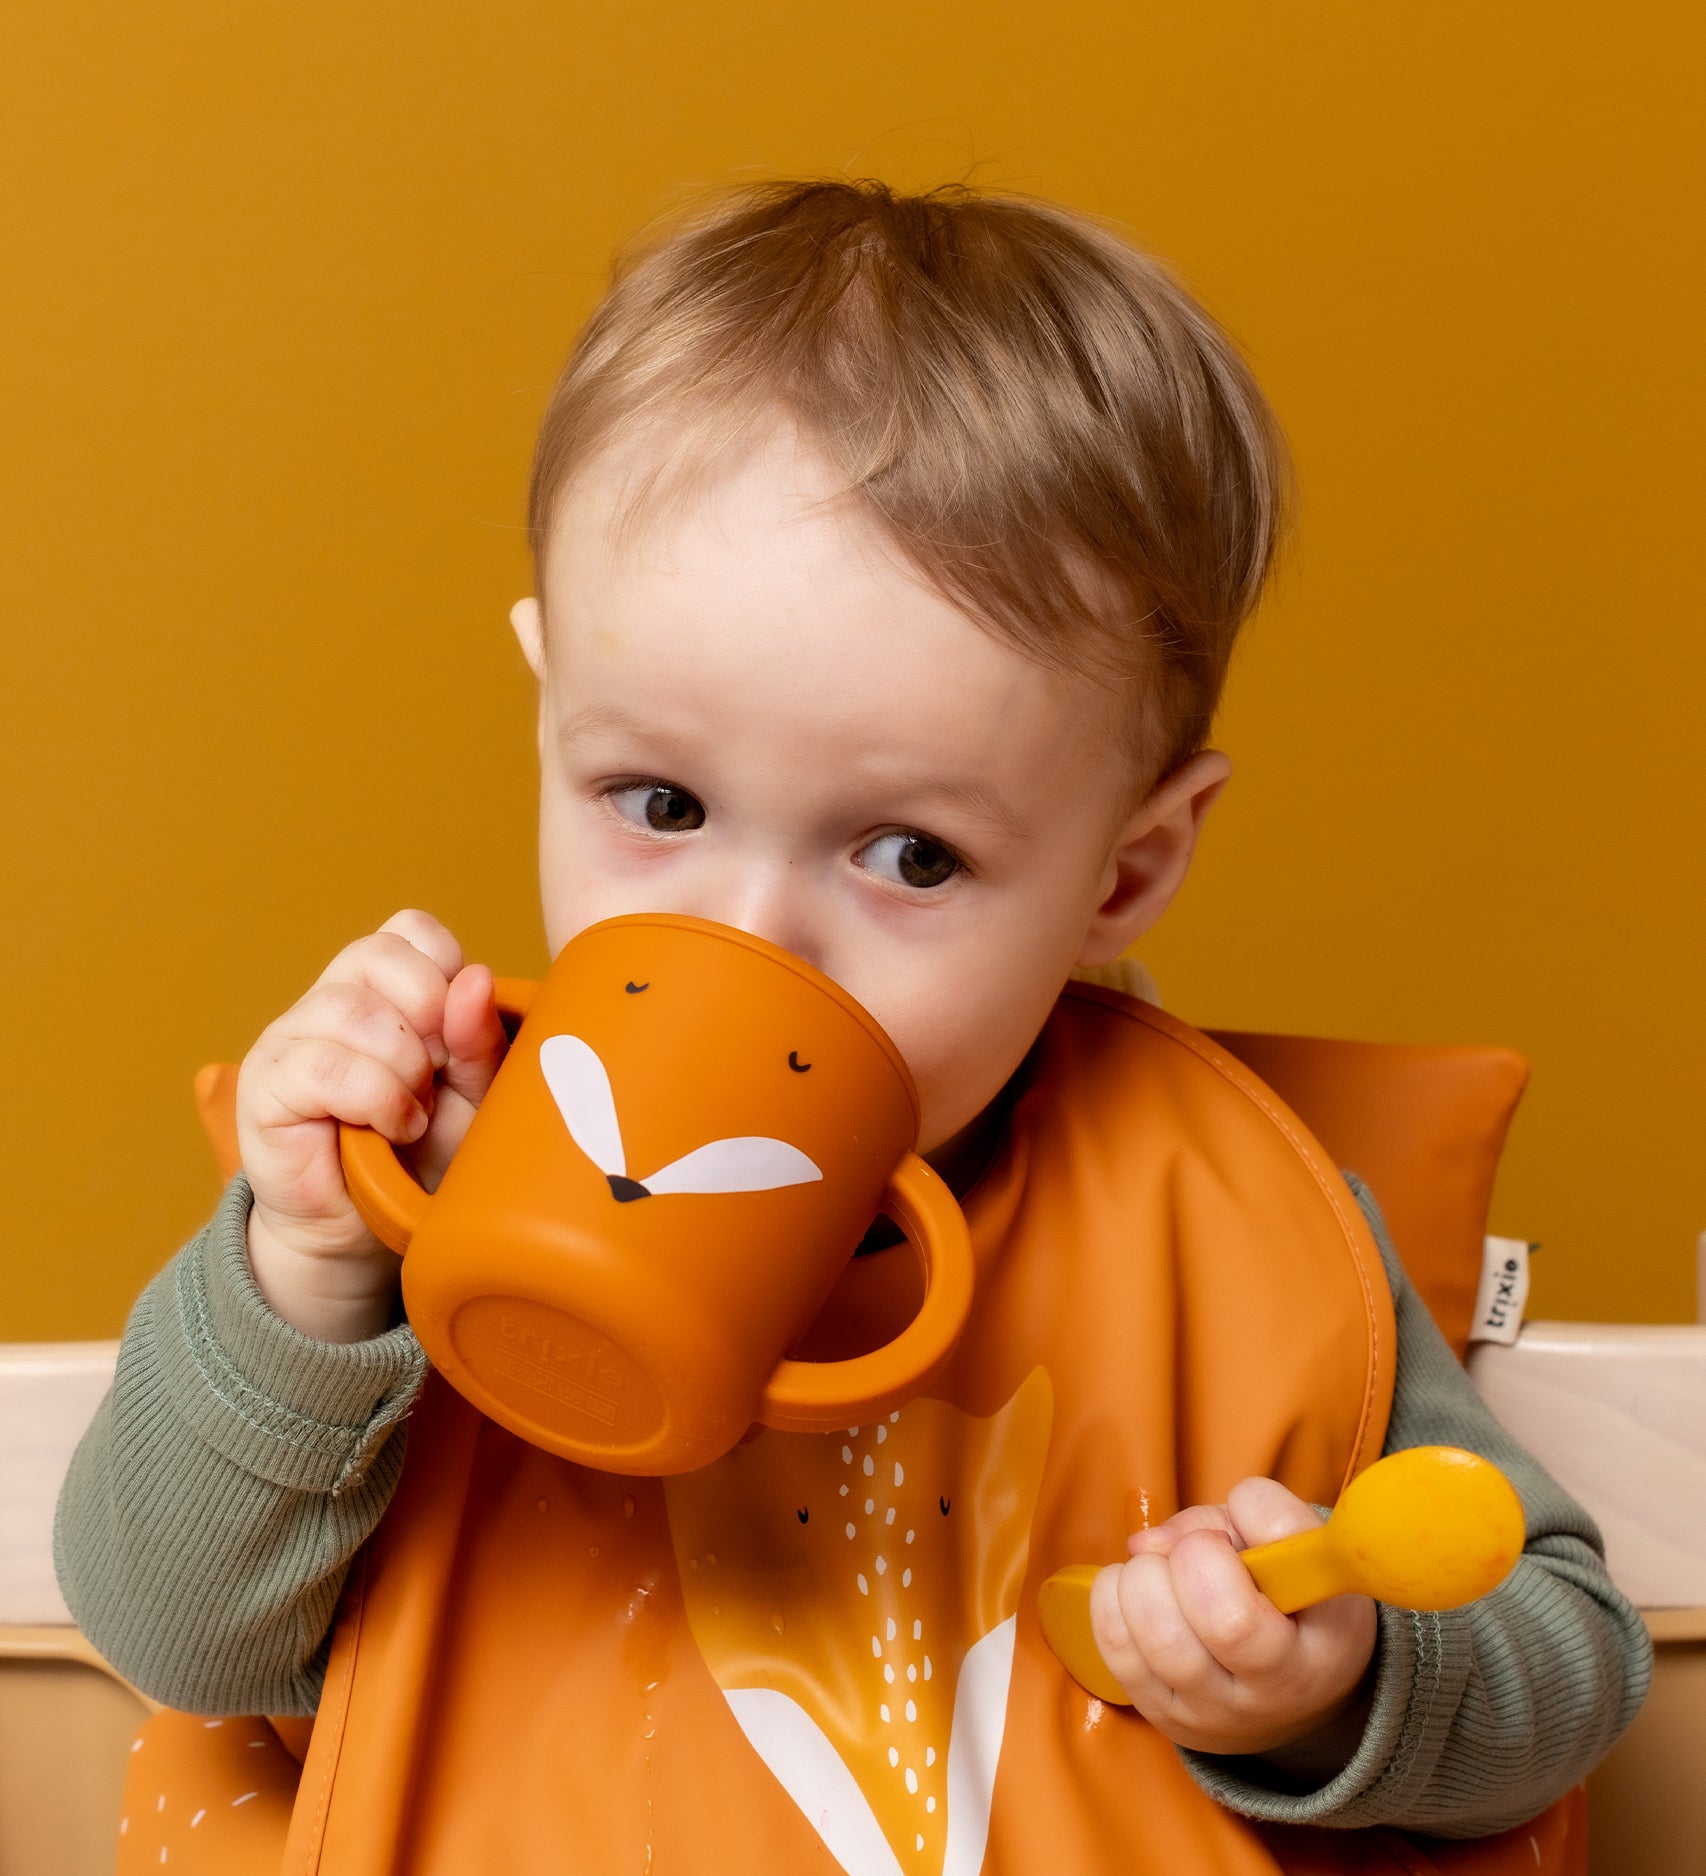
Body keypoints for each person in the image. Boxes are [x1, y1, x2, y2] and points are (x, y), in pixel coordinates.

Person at [56, 179, 1649, 1873]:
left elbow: (1568, 1676)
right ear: (549, 712)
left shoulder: (1231, 1218)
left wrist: (1331, 1688)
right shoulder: (426, 1176)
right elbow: (176, 1638)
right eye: (655, 801)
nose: (748, 936)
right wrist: (307, 1286)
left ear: (1126, 870)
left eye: (909, 855)